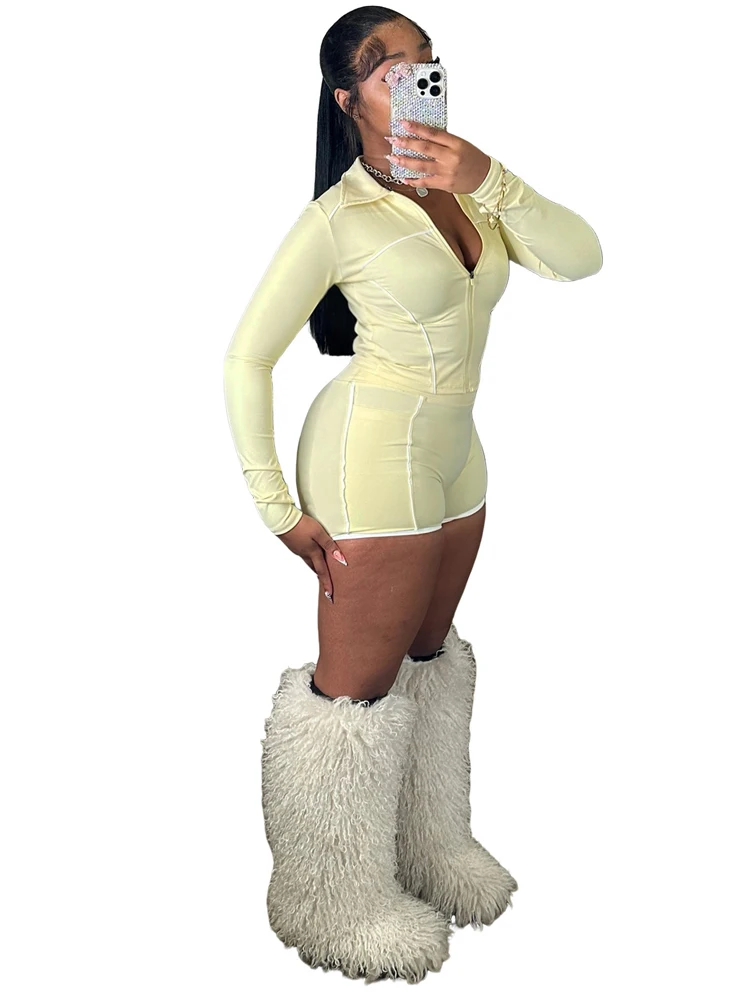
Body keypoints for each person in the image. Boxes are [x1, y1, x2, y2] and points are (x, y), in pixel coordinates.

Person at [223, 7, 602, 983]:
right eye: (390, 69)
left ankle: (430, 848)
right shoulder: (338, 218)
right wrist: (275, 505)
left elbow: (582, 256)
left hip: (457, 456)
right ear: (347, 100)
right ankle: (327, 900)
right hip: (371, 455)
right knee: (354, 691)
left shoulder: (472, 189)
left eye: (427, 62)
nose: (418, 77)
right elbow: (246, 357)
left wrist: (488, 177)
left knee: (430, 663)